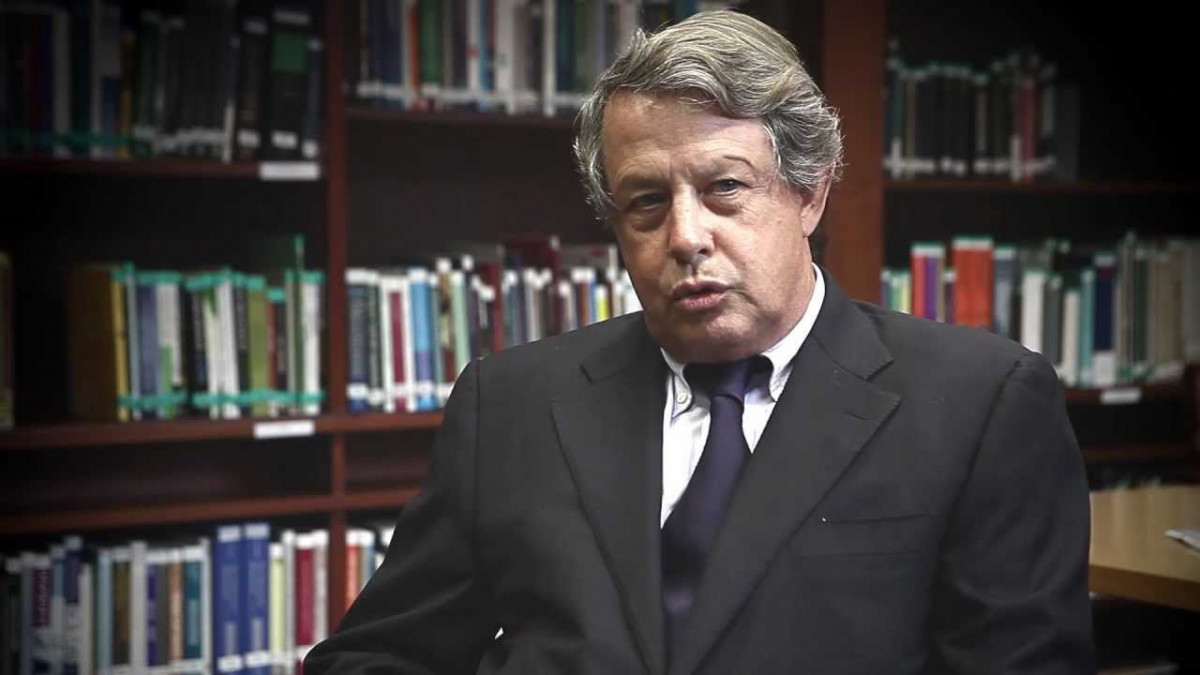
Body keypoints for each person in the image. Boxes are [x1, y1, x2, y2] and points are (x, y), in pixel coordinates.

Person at [305, 10, 1093, 674]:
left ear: (810, 192)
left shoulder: (980, 403)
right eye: (647, 201)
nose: (685, 236)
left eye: (725, 188)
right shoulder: (511, 404)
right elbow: (375, 656)